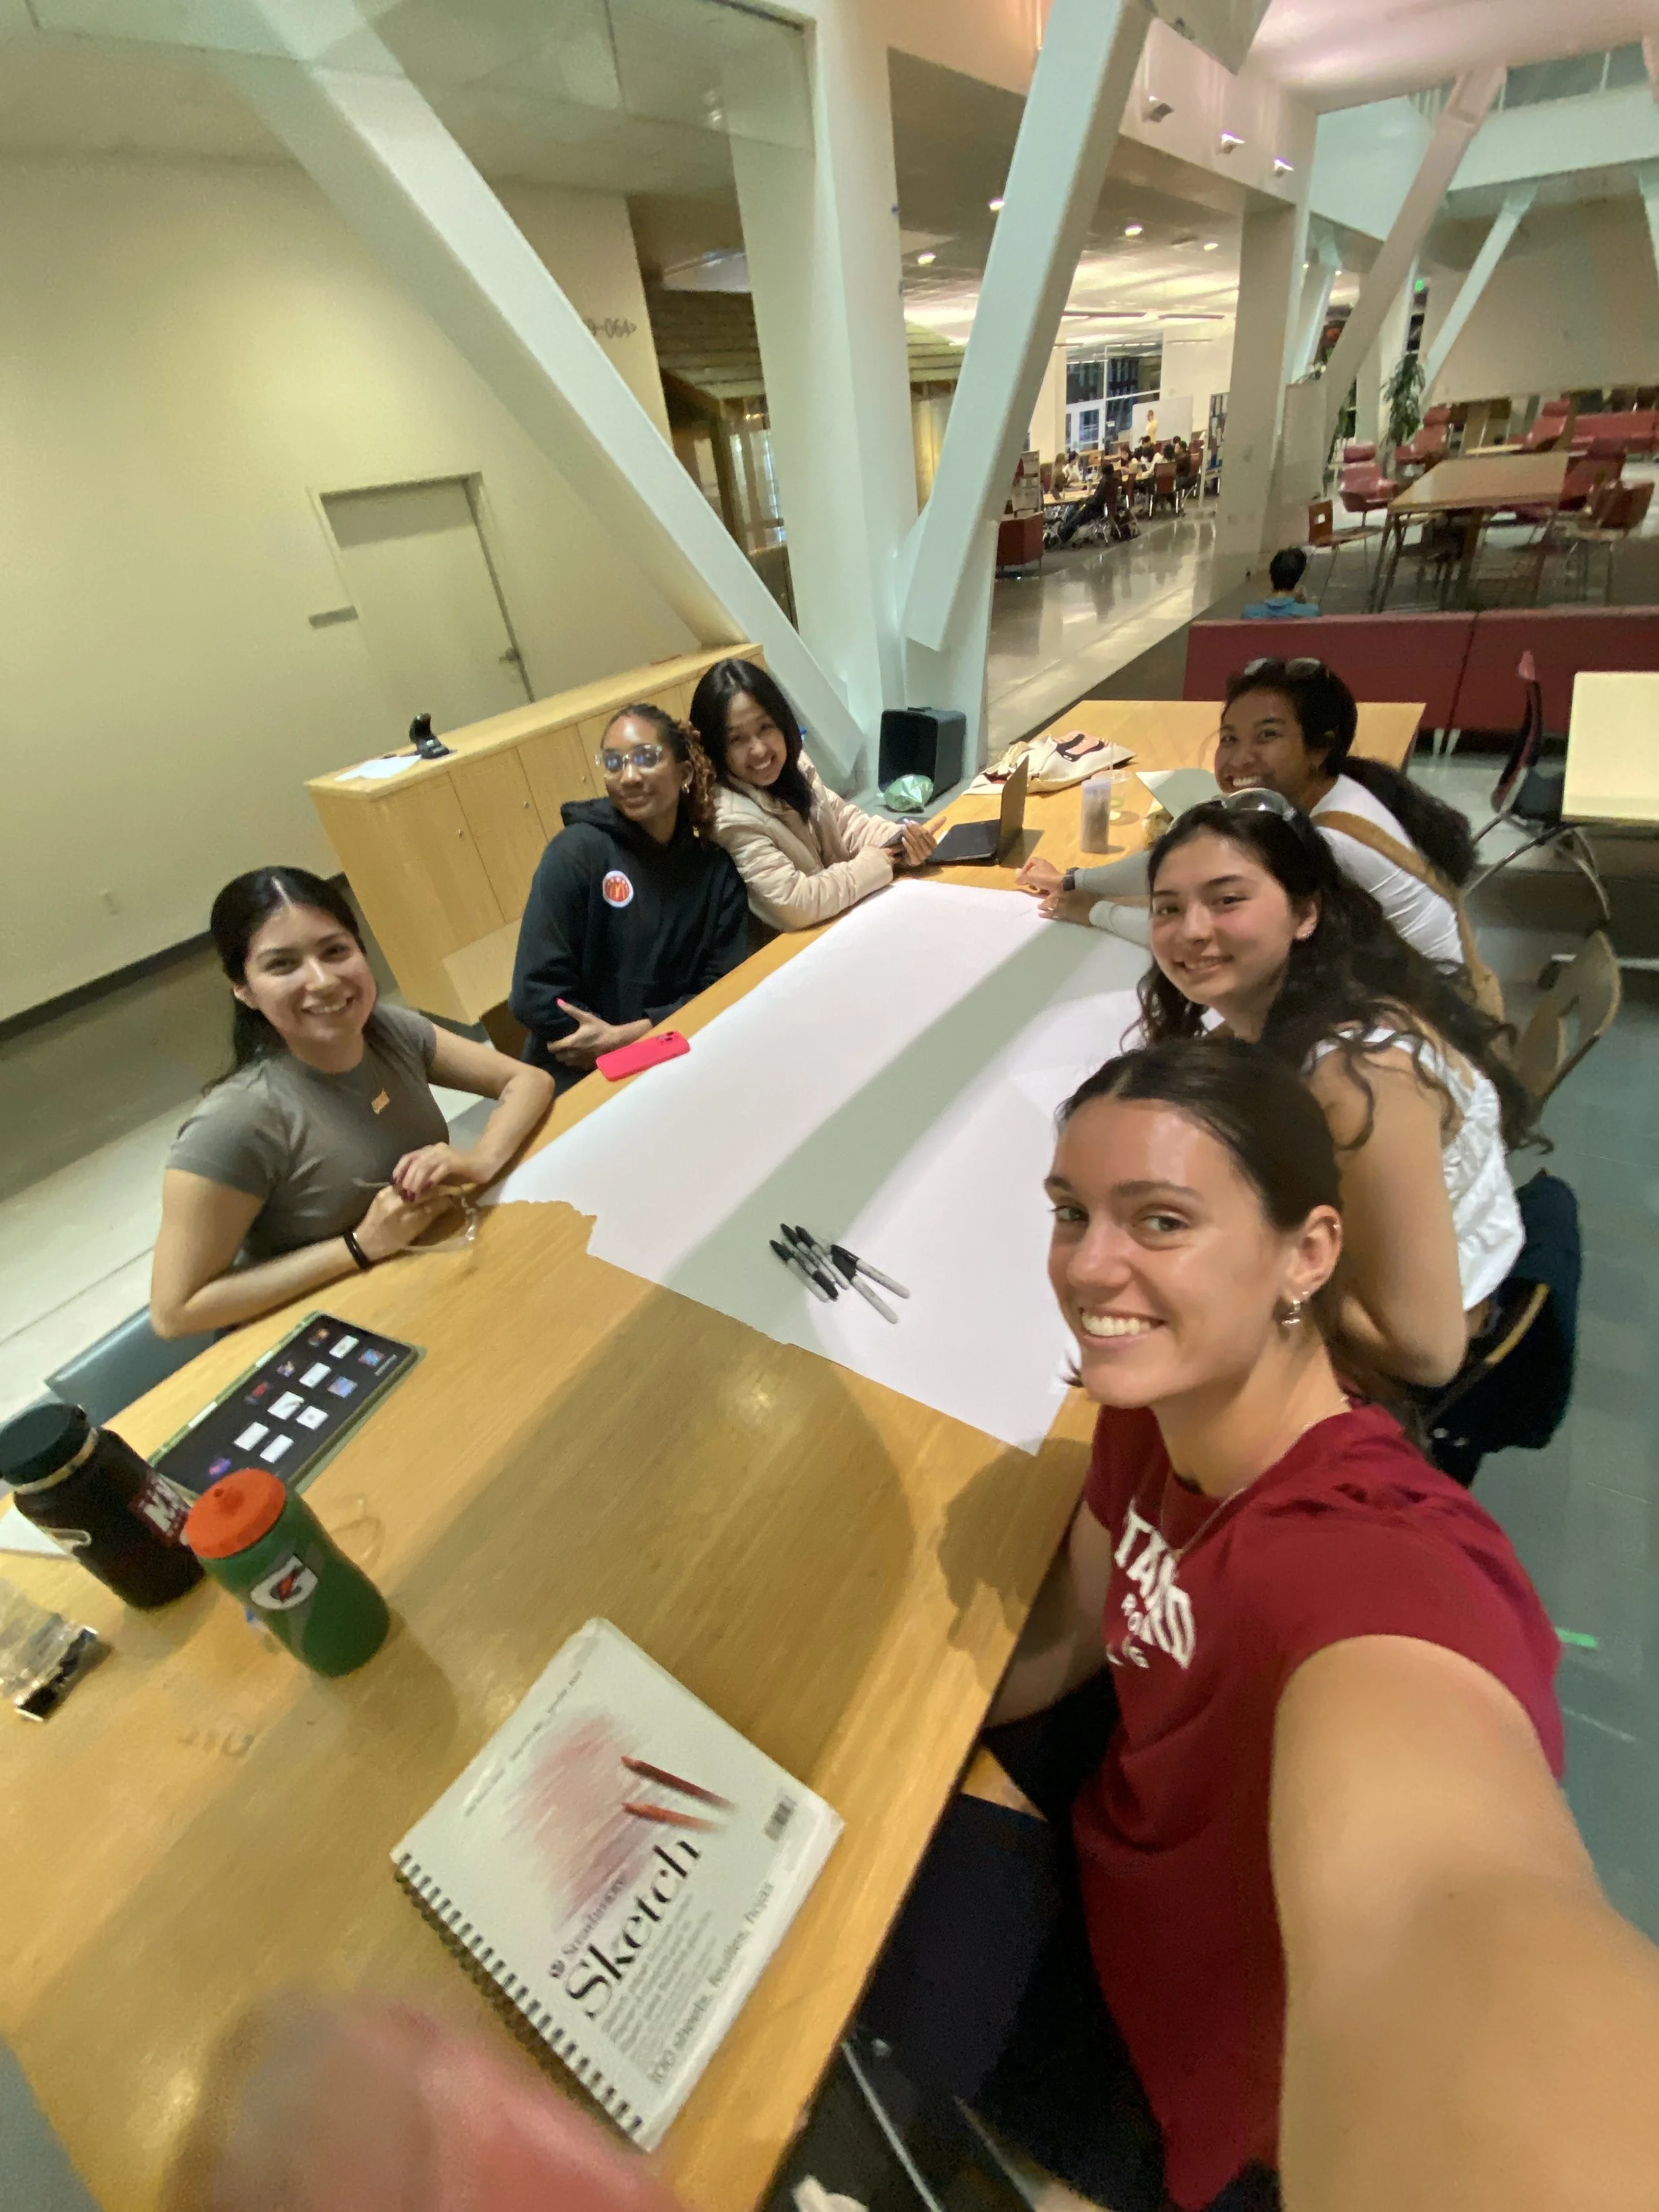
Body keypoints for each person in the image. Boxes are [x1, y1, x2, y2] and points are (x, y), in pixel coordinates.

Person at [864, 1039, 1659, 2212]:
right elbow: (1084, 1623)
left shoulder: (1374, 1572)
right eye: (1070, 1211)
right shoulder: (1157, 1405)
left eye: (1162, 1220)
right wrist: (903, 1729)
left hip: (1192, 2078)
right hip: (1121, 1875)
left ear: (1309, 1252)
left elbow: (1446, 1907)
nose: (1091, 1268)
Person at [1138, 792, 1531, 1388]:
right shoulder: (1292, 1006)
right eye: (1168, 908)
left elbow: (1426, 1353)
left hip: (1414, 1371)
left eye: (1227, 900)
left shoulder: (1358, 1072)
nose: (1191, 931)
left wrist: (1248, 1265)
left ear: (1305, 913)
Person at [151, 869, 553, 1337]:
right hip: (333, 1330)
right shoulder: (235, 1121)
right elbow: (175, 1312)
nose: (322, 981)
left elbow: (527, 1081)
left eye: (335, 950)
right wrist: (361, 1244)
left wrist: (480, 1160)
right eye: (283, 965)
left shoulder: (385, 1030)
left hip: (429, 1287)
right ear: (243, 988)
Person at [1019, 657, 1479, 979]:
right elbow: (1173, 862)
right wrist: (1075, 881)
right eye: (1229, 738)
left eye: (1267, 736)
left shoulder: (1325, 841)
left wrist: (1094, 911)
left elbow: (1209, 941)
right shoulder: (1330, 794)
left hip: (1422, 1029)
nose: (1239, 759)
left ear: (1321, 747)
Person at [510, 703, 749, 1084]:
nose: (630, 776)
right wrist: (611, 1049)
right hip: (583, 1074)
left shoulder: (714, 870)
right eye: (614, 763)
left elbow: (726, 985)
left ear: (684, 773)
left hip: (676, 1054)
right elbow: (535, 995)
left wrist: (627, 1040)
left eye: (646, 758)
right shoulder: (576, 853)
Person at [687, 658, 934, 930]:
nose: (758, 749)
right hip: (793, 953)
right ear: (716, 748)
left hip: (840, 922)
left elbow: (845, 822)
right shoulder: (730, 819)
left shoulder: (794, 766)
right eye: (737, 739)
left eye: (765, 727)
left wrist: (900, 841)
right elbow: (795, 904)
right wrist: (875, 864)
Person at [1242, 546, 1321, 619]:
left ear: (1271, 575)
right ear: (1299, 580)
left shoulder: (1249, 614)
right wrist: (1305, 605)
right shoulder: (1311, 613)